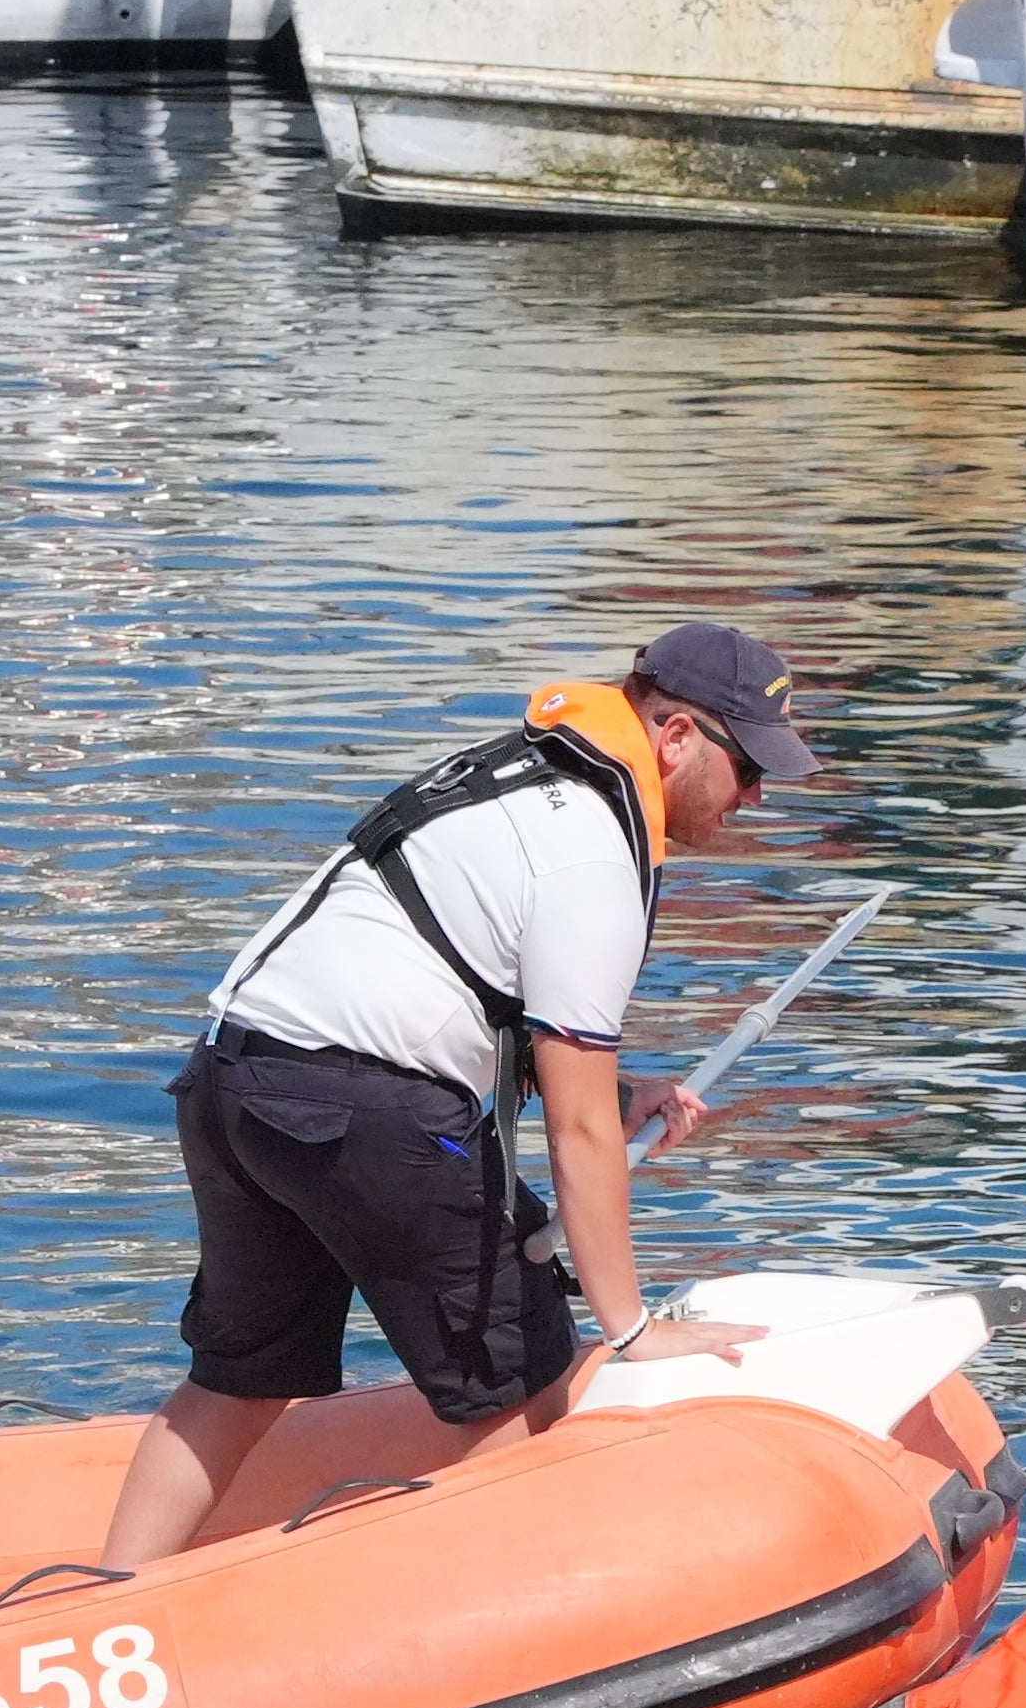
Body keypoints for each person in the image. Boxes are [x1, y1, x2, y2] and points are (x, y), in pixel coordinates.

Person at [95, 627, 816, 1572]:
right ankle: (493, 1637)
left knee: (239, 1379)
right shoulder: (596, 849)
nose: (756, 797)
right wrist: (634, 1329)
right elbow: (579, 1127)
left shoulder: (517, 772)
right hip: (362, 1109)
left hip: (236, 1079)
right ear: (676, 734)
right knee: (531, 1378)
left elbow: (446, 970)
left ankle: (107, 1594)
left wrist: (628, 1084)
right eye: (748, 766)